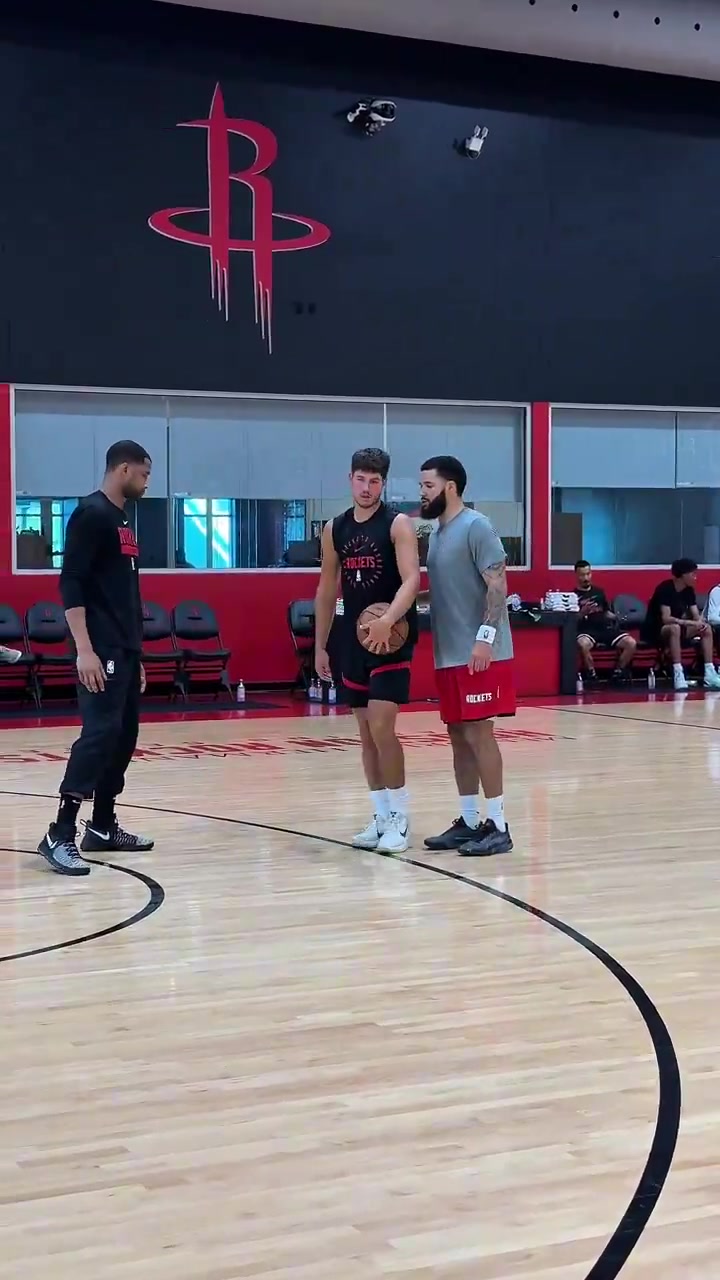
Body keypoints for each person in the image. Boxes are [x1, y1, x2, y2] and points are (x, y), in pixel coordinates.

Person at [37, 441, 155, 875]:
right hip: (99, 648)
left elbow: (123, 594)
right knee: (100, 734)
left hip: (123, 649)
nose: (147, 482)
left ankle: (102, 825)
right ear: (123, 469)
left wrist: (136, 654)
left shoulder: (122, 519)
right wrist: (84, 649)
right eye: (144, 474)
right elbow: (71, 583)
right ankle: (60, 832)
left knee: (123, 736)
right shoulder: (91, 514)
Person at [314, 447, 420, 853]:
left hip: (392, 638)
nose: (366, 487)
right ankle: (380, 816)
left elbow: (412, 580)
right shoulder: (335, 528)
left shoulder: (398, 524)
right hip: (353, 638)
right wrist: (321, 646)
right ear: (350, 479)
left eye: (374, 481)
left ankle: (400, 817)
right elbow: (326, 589)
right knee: (365, 734)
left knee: (382, 727)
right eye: (361, 479)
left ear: (383, 484)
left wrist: (388, 619)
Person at [420, 456, 514, 857]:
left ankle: (499, 826)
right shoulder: (437, 533)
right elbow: (447, 590)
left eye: (428, 486)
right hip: (448, 653)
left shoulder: (477, 526)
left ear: (450, 487)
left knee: (479, 733)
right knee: (458, 735)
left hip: (479, 652)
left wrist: (485, 638)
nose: (422, 493)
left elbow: (498, 585)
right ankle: (470, 821)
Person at [642, 557, 720, 692]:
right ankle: (678, 672)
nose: (695, 577)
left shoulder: (688, 591)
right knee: (674, 628)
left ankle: (709, 672)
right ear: (683, 575)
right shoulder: (665, 589)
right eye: (693, 574)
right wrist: (688, 622)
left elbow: (695, 615)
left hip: (679, 628)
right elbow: (666, 618)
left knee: (706, 628)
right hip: (656, 629)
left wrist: (699, 623)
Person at [574, 559, 636, 683]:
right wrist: (582, 613)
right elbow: (572, 620)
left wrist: (618, 617)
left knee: (631, 643)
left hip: (605, 628)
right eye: (582, 575)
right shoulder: (573, 596)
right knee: (582, 644)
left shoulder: (599, 592)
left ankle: (618, 672)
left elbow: (606, 612)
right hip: (587, 630)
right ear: (576, 575)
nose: (586, 578)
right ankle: (591, 674)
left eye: (588, 574)